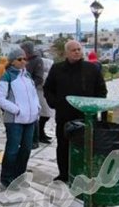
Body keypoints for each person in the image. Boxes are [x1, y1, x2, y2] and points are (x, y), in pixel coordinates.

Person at [44, 40, 107, 183]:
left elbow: (101, 90)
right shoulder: (57, 68)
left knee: (86, 146)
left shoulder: (92, 69)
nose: (77, 52)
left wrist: (94, 106)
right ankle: (64, 174)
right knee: (63, 145)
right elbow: (48, 88)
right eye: (73, 50)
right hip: (64, 115)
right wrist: (55, 103)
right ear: (66, 53)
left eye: (79, 49)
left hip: (86, 116)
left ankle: (83, 174)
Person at [0, 49, 41, 187]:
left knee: (26, 149)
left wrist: (37, 107)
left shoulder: (27, 76)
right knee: (12, 150)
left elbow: (33, 94)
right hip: (14, 120)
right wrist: (17, 110)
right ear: (12, 61)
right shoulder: (7, 76)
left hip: (30, 120)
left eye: (25, 59)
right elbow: (0, 98)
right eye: (20, 59)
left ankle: (19, 175)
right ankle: (6, 177)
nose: (23, 61)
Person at [21, 41, 44, 149]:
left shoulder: (37, 60)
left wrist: (28, 86)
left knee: (33, 117)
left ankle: (35, 140)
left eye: (23, 49)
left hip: (31, 92)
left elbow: (39, 78)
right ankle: (25, 139)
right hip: (21, 93)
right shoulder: (23, 60)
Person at [38, 49, 54, 143]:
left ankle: (41, 133)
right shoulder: (43, 74)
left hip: (44, 95)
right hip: (41, 95)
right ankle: (40, 134)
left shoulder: (46, 73)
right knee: (44, 116)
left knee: (45, 116)